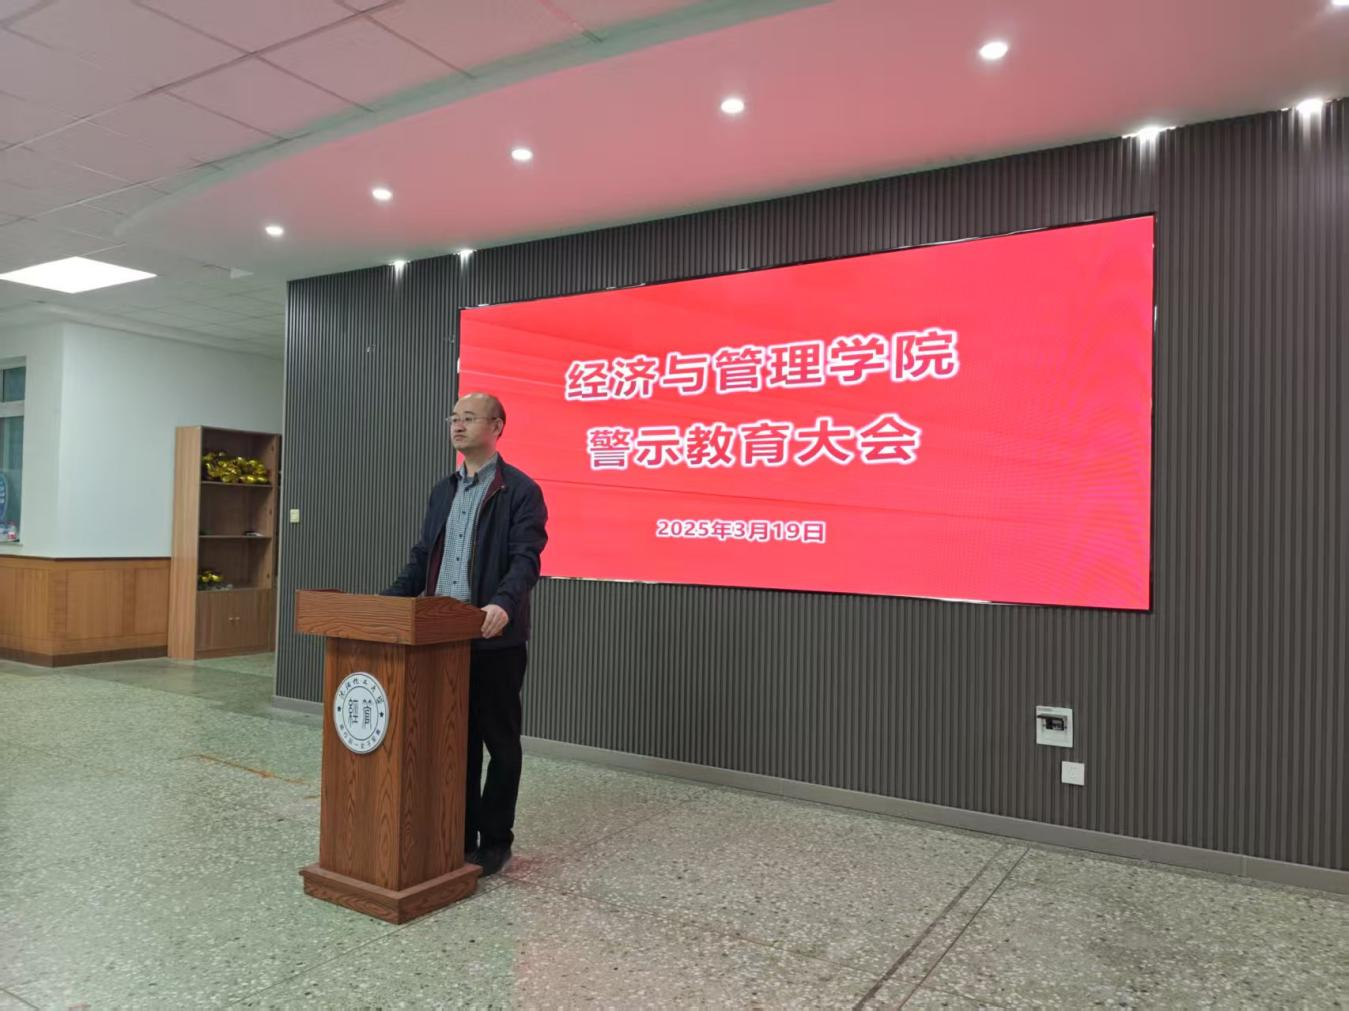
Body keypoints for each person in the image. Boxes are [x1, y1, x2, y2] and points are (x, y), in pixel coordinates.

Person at [382, 392, 548, 877]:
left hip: (494, 638)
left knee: (500, 743)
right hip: (442, 640)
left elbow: (526, 558)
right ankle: (459, 834)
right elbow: (422, 558)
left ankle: (496, 841)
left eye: (469, 418)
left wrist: (503, 603)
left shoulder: (519, 490)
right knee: (456, 742)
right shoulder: (444, 490)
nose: (457, 425)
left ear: (497, 426)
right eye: (453, 417)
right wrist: (385, 604)